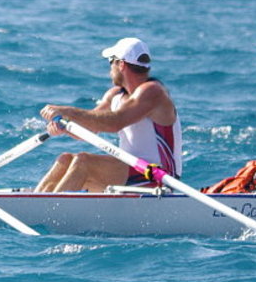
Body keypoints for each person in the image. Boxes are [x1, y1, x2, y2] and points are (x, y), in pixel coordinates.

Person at [36, 36, 181, 192]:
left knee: (84, 162)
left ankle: (51, 206)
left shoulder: (153, 92)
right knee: (65, 160)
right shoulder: (115, 95)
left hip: (158, 176)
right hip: (130, 171)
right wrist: (63, 127)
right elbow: (90, 127)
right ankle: (36, 200)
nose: (110, 69)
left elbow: (115, 122)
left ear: (121, 64)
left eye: (111, 62)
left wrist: (67, 111)